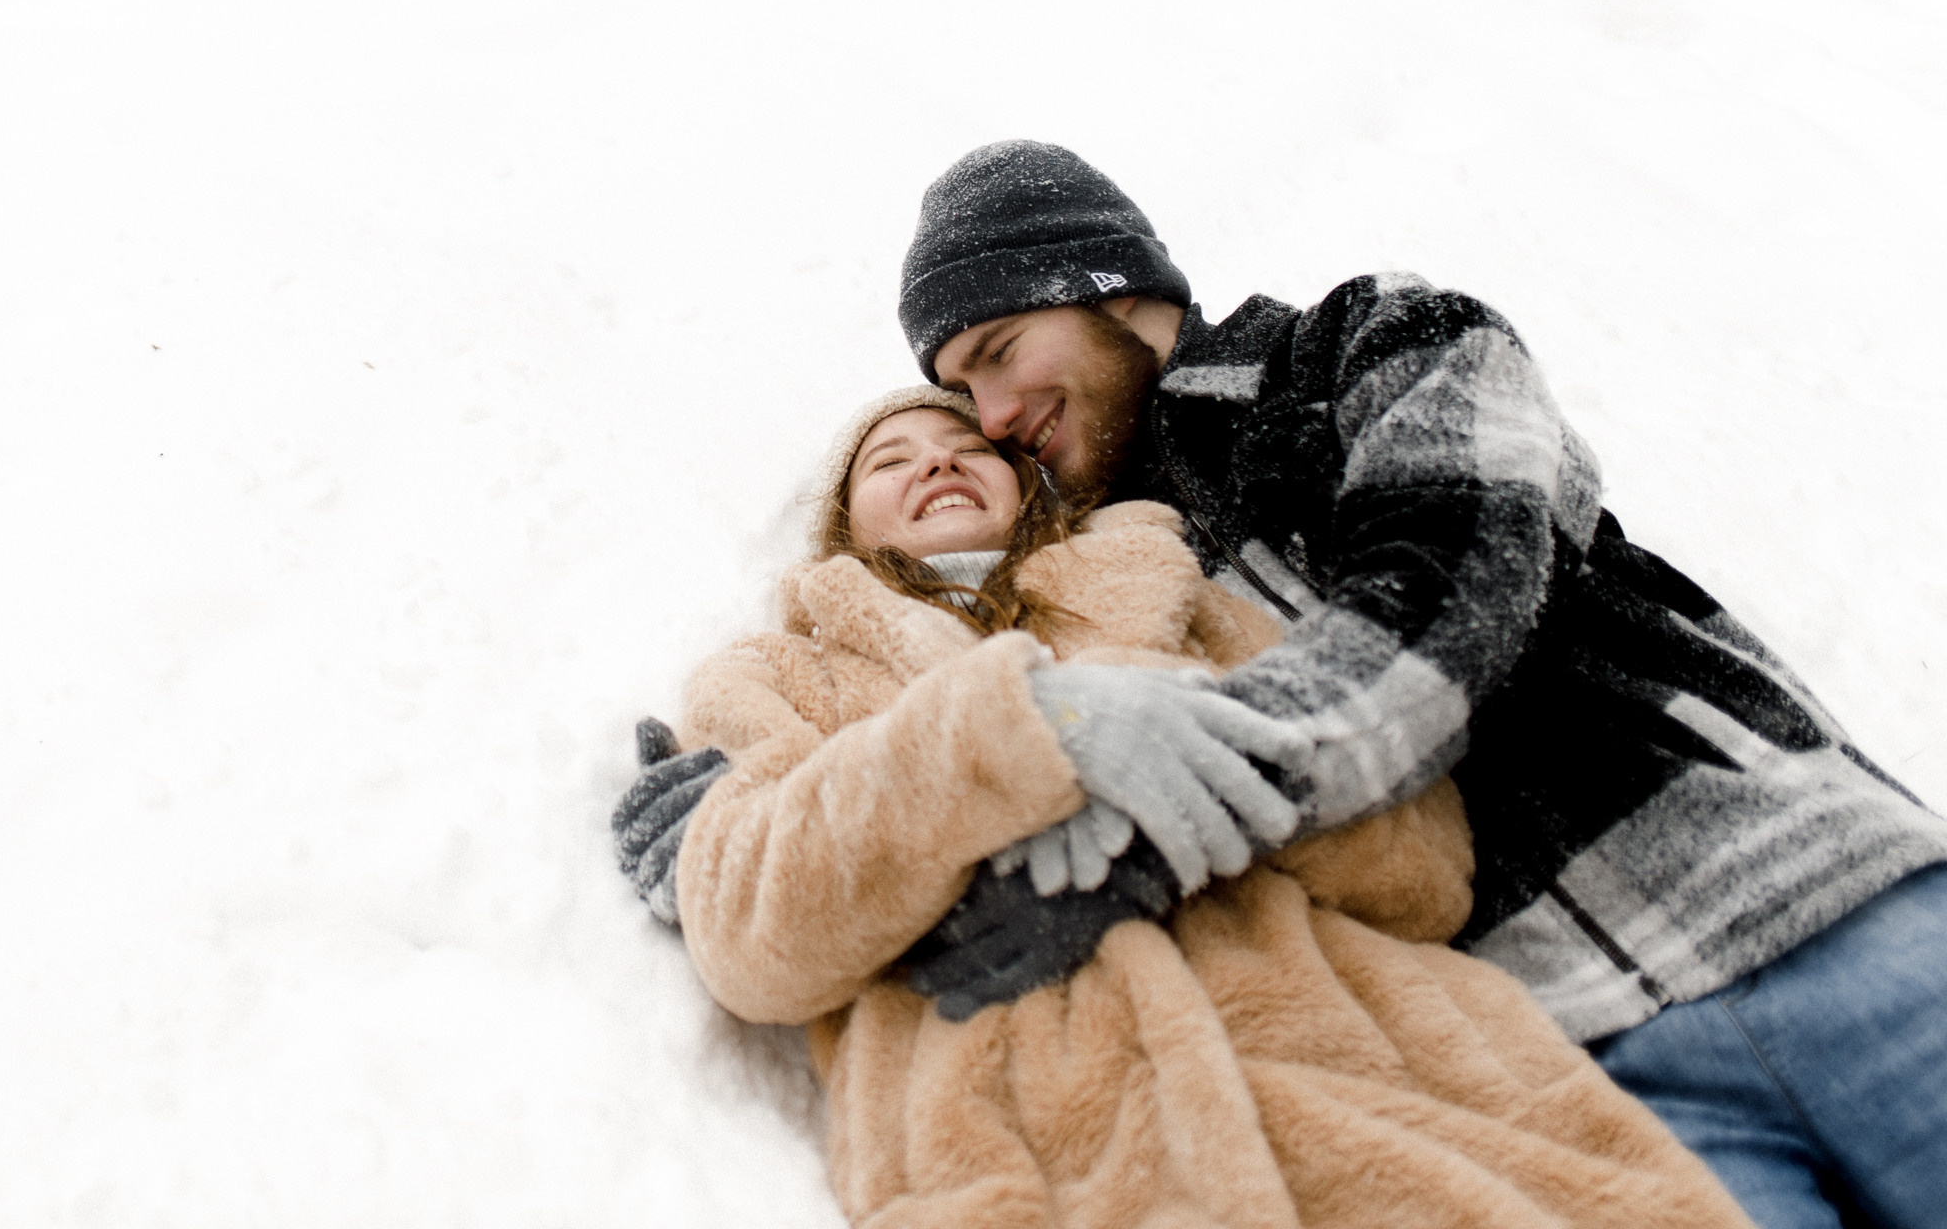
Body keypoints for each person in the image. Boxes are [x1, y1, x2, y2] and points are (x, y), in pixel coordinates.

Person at [621, 140, 1947, 1229]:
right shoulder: (1115, 582)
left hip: (1817, 902)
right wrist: (734, 842)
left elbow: (1448, 596)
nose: (994, 417)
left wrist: (1129, 823)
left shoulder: (1363, 349)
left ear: (1104, 286)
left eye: (997, 355)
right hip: (1590, 1061)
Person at [618, 388, 1753, 1228]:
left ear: (1031, 485)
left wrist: (1176, 772)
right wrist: (1007, 739)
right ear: (841, 525)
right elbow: (751, 920)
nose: (938, 463)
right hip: (1034, 1153)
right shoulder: (781, 680)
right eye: (892, 459)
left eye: (969, 444)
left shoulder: (1184, 604)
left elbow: (1422, 858)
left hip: (1385, 1081)